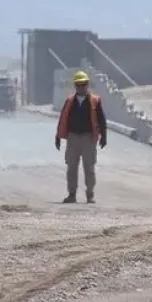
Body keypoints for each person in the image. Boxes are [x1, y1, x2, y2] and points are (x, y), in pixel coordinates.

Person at [55, 70, 108, 204]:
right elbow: (62, 118)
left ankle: (90, 195)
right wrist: (58, 136)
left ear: (87, 85)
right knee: (71, 167)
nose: (81, 87)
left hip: (88, 138)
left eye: (83, 84)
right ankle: (72, 194)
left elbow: (102, 119)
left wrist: (104, 136)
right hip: (73, 137)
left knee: (89, 167)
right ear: (75, 86)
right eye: (78, 84)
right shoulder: (70, 101)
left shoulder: (95, 101)